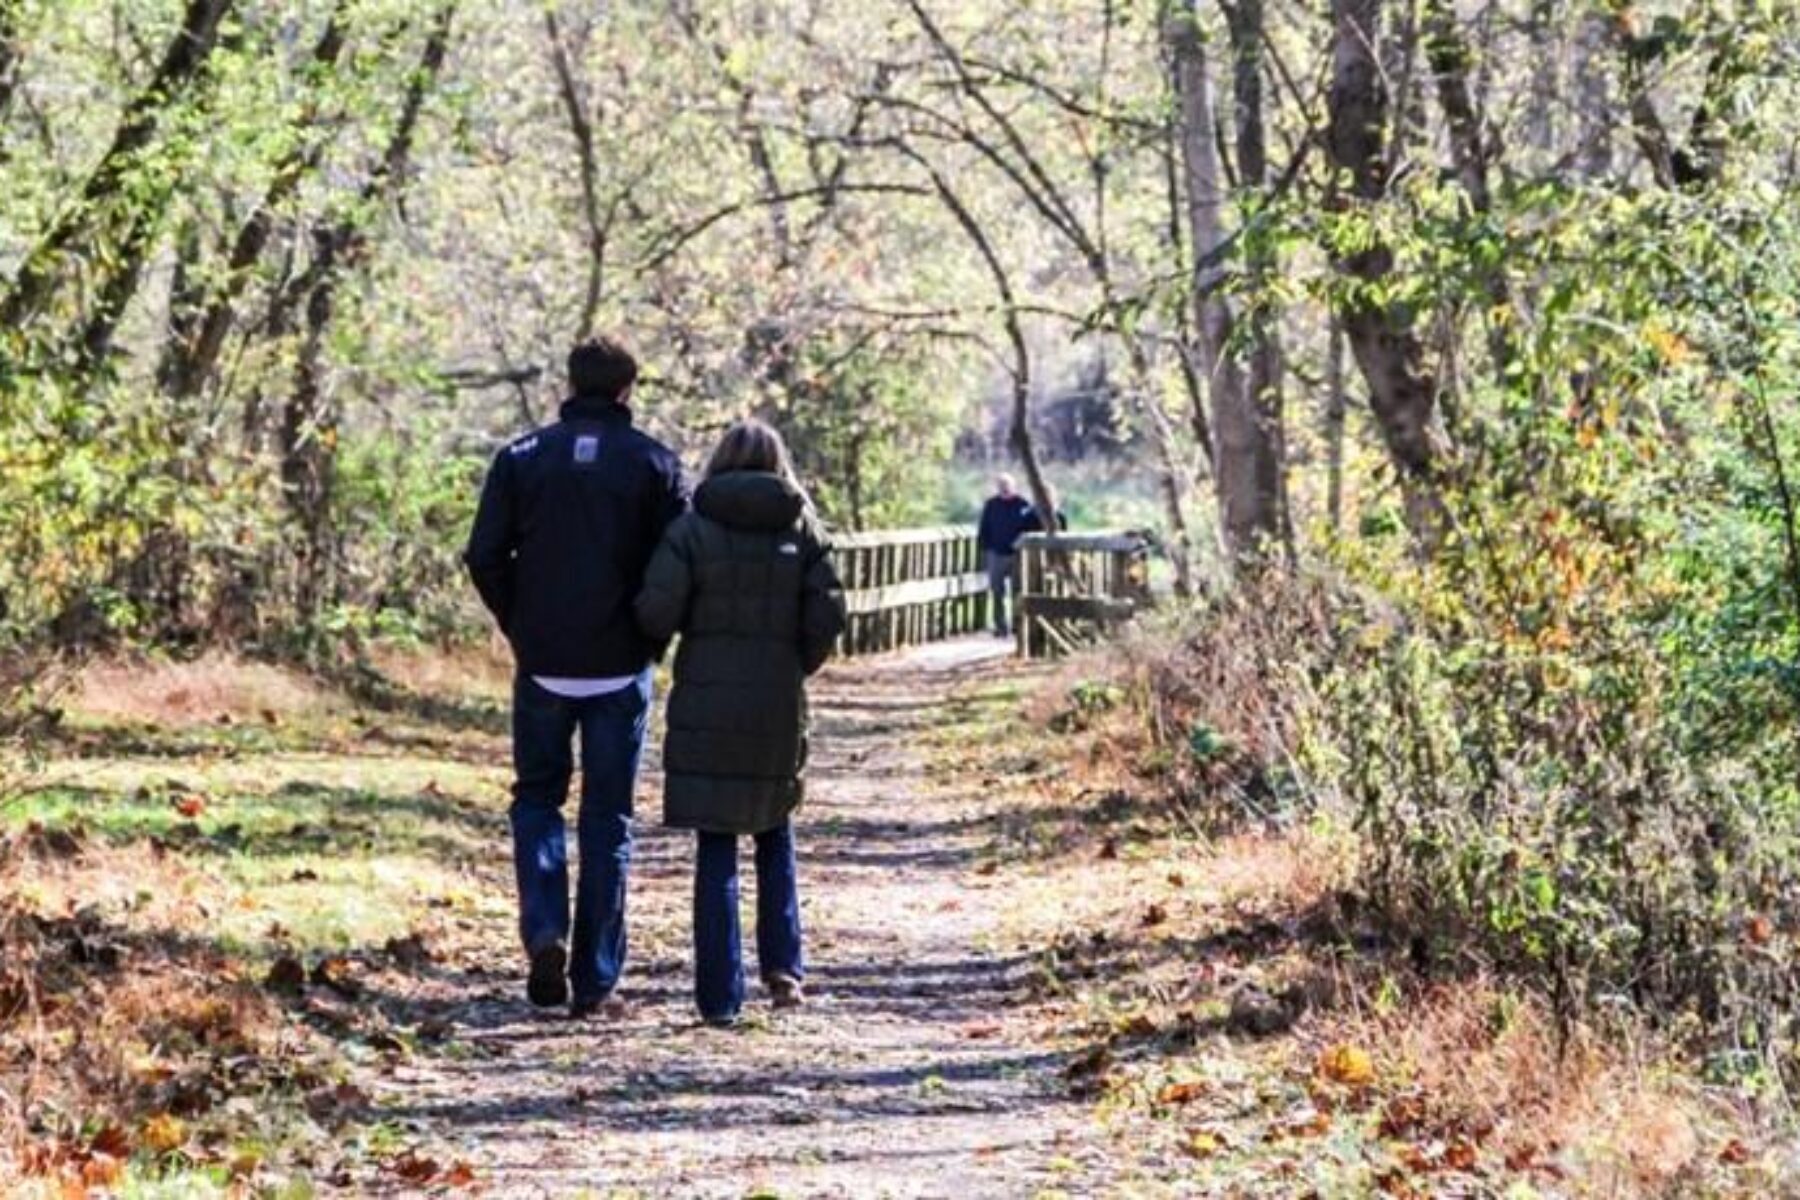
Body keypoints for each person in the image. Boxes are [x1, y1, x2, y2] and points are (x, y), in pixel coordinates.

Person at [463, 337, 687, 1018]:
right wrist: (651, 634)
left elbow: (483, 554)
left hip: (544, 663)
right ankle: (594, 980)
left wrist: (520, 624)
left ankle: (543, 930)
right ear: (626, 390)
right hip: (620, 668)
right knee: (607, 819)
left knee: (536, 799)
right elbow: (674, 567)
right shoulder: (654, 462)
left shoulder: (522, 458)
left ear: (572, 382)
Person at [635, 419, 846, 1026]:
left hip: (706, 699)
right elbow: (829, 613)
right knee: (775, 829)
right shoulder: (803, 527)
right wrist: (794, 664)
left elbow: (656, 610)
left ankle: (720, 996)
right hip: (777, 698)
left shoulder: (693, 529)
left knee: (716, 843)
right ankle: (784, 969)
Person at [976, 473, 1039, 638]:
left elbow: (1032, 528)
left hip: (1018, 555)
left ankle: (1018, 625)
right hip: (996, 554)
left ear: (1014, 486)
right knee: (997, 592)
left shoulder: (1023, 504)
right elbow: (984, 528)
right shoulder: (991, 505)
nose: (1004, 488)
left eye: (1007, 485)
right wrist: (984, 550)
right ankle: (1000, 626)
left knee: (1017, 591)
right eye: (1001, 485)